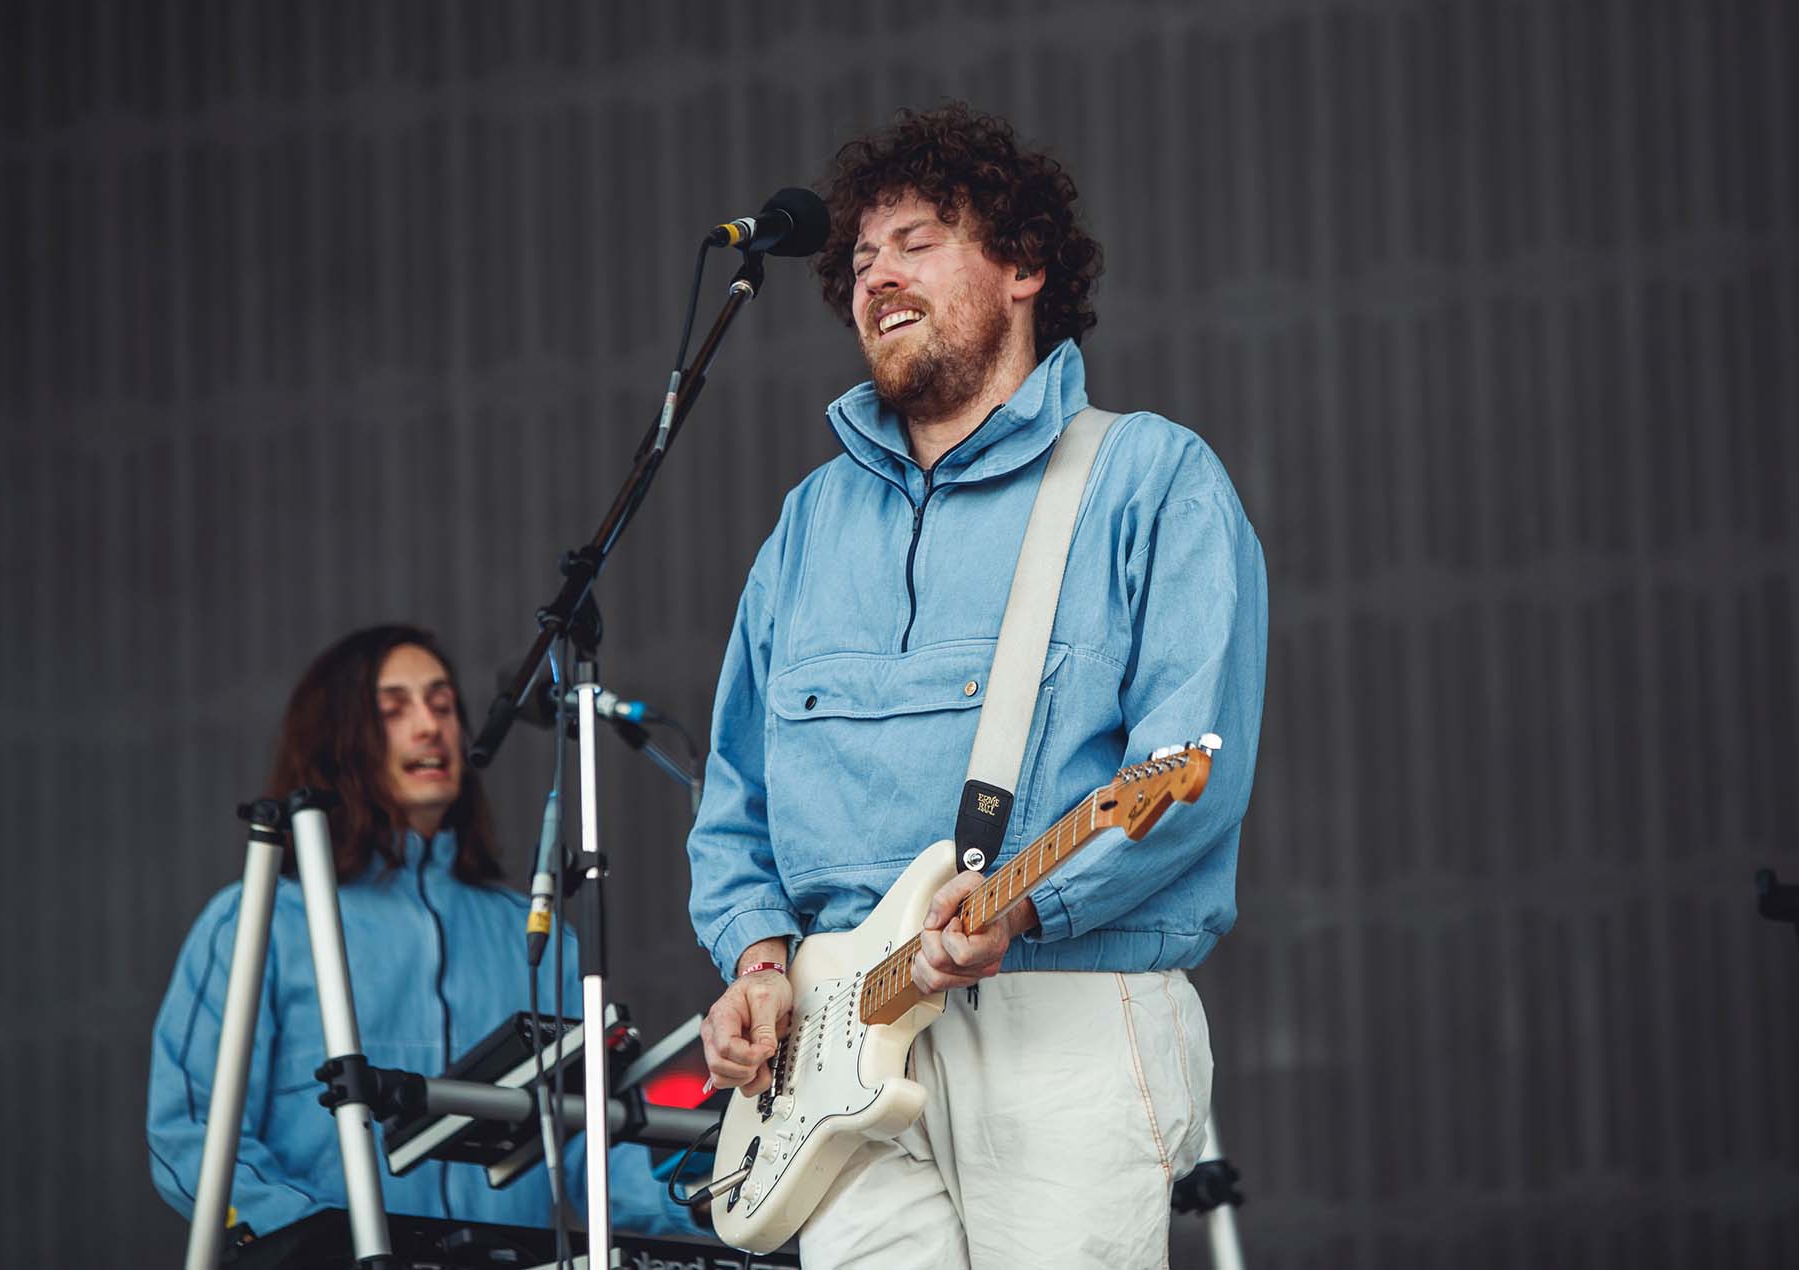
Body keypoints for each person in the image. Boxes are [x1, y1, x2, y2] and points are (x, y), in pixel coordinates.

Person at [685, 104, 1267, 1267]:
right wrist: (754, 965)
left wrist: (1025, 905)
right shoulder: (806, 526)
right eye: (858, 258)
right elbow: (733, 800)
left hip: (1061, 1019)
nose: (875, 275)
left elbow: (1187, 769)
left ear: (1023, 266)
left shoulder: (1148, 477)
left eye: (915, 241)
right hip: (831, 1051)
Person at [148, 624, 700, 1241]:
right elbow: (191, 1133)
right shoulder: (256, 923)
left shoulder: (537, 934)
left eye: (442, 705)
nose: (429, 726)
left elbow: (588, 1147)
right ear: (337, 740)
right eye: (394, 709)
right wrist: (311, 1241)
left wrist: (718, 1201)